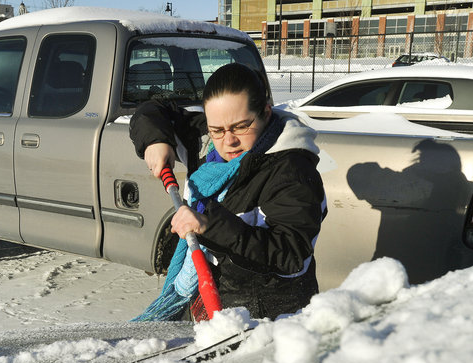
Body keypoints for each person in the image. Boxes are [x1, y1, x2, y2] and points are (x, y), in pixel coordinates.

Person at [130, 63, 327, 321]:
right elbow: (152, 110)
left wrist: (209, 226)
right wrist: (156, 140)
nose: (228, 140)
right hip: (207, 305)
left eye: (241, 126)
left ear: (266, 113)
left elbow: (291, 253)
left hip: (266, 321)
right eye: (217, 130)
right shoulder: (208, 143)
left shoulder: (291, 170)